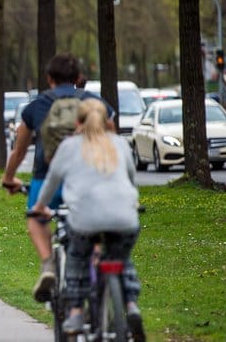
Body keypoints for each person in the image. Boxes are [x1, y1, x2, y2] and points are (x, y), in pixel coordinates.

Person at [1, 53, 115, 302]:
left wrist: (9, 178)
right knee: (93, 224)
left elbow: (19, 150)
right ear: (78, 78)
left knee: (36, 218)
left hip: (47, 178)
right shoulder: (96, 103)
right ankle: (95, 261)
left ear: (49, 78)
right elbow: (113, 142)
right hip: (89, 179)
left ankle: (48, 266)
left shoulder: (37, 106)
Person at [30, 99, 144, 338]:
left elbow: (51, 182)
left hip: (84, 220)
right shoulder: (120, 144)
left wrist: (40, 206)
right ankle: (132, 305)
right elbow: (131, 179)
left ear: (77, 122)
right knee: (121, 259)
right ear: (107, 122)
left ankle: (74, 312)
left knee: (77, 258)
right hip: (125, 218)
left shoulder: (69, 147)